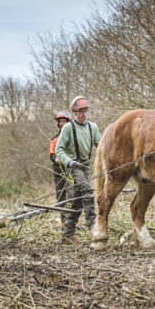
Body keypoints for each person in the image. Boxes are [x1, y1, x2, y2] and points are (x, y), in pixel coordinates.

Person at [55, 96, 101, 243]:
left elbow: (100, 147)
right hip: (73, 168)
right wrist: (69, 162)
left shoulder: (92, 128)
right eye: (80, 111)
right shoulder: (68, 128)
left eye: (85, 111)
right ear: (75, 112)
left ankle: (67, 234)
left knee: (78, 200)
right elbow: (59, 150)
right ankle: (94, 229)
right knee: (87, 192)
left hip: (85, 167)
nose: (84, 114)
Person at [49, 110, 72, 226]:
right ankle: (64, 222)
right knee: (60, 195)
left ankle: (73, 222)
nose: (62, 123)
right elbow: (51, 154)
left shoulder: (72, 137)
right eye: (60, 121)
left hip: (70, 168)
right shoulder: (54, 139)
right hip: (58, 169)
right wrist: (56, 159)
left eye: (64, 121)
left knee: (72, 193)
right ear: (58, 123)